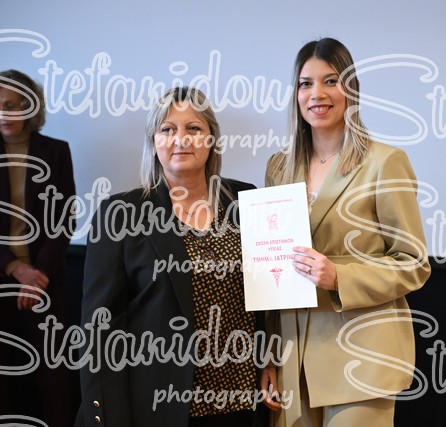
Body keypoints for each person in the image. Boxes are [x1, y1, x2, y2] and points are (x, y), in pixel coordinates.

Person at [259, 38, 431, 427]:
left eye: (330, 81)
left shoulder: (385, 162)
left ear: (351, 89)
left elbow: (413, 263)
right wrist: (269, 357)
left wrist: (340, 277)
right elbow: (272, 270)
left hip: (361, 357)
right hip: (293, 359)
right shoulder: (278, 167)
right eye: (305, 83)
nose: (316, 94)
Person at [76, 87, 266, 427]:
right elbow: (99, 331)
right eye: (167, 129)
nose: (181, 139)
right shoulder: (120, 214)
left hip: (240, 402)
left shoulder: (245, 201)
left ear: (211, 139)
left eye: (194, 128)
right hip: (159, 408)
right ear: (153, 141)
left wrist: (272, 363)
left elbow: (267, 298)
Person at [0, 69, 76, 427]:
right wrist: (16, 269)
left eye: (13, 105)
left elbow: (64, 218)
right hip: (4, 275)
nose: (5, 113)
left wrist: (36, 276)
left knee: (55, 376)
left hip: (46, 281)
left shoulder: (55, 151)